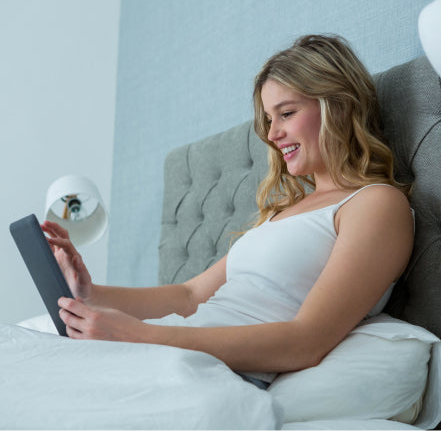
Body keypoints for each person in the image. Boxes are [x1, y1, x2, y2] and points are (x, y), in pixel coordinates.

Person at [41, 34, 414, 386]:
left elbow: (306, 341)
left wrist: (137, 335)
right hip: (173, 353)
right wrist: (89, 292)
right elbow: (188, 296)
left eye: (286, 113)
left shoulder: (375, 205)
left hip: (210, 372)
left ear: (337, 106)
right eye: (269, 119)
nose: (272, 135)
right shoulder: (285, 213)